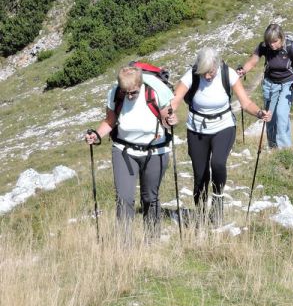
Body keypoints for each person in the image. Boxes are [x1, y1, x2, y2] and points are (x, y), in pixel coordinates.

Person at [167, 47, 271, 225]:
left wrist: (259, 113)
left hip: (224, 126)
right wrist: (169, 114)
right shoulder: (191, 75)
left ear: (217, 65)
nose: (207, 76)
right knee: (200, 175)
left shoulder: (227, 73)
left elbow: (245, 102)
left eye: (211, 72)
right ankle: (200, 213)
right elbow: (174, 100)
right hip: (197, 129)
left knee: (217, 163)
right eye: (204, 73)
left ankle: (217, 203)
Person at [83, 64, 175, 233]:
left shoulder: (154, 92)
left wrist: (171, 120)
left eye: (133, 92)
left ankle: (152, 239)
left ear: (140, 85)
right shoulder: (115, 93)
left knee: (150, 197)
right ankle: (125, 246)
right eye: (126, 92)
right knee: (124, 198)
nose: (130, 96)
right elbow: (110, 121)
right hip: (124, 151)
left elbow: (166, 120)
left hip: (155, 151)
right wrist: (96, 135)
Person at [238, 24, 293, 149]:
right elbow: (253, 61)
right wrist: (243, 71)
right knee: (269, 116)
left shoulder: (291, 47)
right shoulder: (264, 46)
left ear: (282, 38)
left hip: (288, 84)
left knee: (281, 113)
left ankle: (285, 150)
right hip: (270, 84)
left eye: (275, 41)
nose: (272, 45)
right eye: (269, 42)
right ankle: (273, 147)